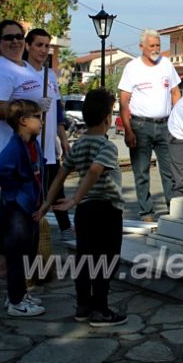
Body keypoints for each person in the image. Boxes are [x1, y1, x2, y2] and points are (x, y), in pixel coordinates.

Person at [38, 89, 127, 327]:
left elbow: (61, 174)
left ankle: (83, 306)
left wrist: (48, 203)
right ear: (108, 118)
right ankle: (101, 310)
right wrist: (76, 198)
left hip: (85, 213)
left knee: (85, 259)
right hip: (107, 210)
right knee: (106, 260)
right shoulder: (107, 147)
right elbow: (96, 171)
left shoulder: (77, 145)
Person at [0, 20, 52, 278]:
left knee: (23, 208)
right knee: (13, 210)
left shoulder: (25, 67)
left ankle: (22, 262)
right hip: (9, 149)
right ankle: (9, 262)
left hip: (30, 148)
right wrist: (29, 110)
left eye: (19, 37)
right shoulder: (0, 72)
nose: (15, 41)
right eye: (8, 37)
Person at [0, 99, 46, 317]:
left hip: (30, 208)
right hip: (17, 211)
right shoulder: (15, 147)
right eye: (38, 118)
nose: (41, 122)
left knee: (27, 254)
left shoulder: (32, 143)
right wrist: (15, 192)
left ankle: (19, 293)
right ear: (23, 121)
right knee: (17, 257)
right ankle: (16, 301)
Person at [118, 29, 181, 222]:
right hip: (140, 126)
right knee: (141, 172)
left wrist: (177, 120)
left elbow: (176, 93)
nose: (155, 49)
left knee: (169, 171)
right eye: (152, 46)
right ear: (141, 47)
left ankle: (173, 210)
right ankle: (146, 212)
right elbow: (124, 101)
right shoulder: (132, 68)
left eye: (158, 46)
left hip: (165, 125)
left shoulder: (167, 65)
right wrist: (128, 130)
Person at [23, 28, 74, 241]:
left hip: (50, 146)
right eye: (39, 45)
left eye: (46, 46)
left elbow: (58, 111)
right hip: (30, 145)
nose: (43, 50)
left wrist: (63, 139)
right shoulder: (20, 73)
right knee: (32, 192)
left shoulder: (50, 74)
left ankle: (66, 230)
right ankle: (27, 232)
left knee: (56, 189)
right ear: (27, 46)